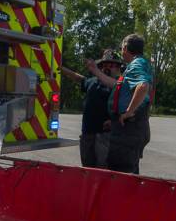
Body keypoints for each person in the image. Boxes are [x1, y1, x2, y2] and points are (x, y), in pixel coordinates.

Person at [86, 34, 152, 174]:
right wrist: (115, 121)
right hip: (128, 127)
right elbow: (122, 89)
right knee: (127, 169)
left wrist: (128, 112)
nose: (121, 51)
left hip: (129, 130)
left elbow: (142, 86)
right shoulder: (136, 65)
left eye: (122, 48)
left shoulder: (136, 64)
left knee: (121, 171)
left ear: (126, 48)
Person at [61, 50, 123, 168]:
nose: (107, 67)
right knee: (87, 169)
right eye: (104, 65)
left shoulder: (120, 85)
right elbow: (78, 78)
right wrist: (61, 68)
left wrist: (114, 121)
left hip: (105, 136)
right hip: (87, 135)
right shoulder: (93, 81)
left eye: (111, 65)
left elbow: (127, 108)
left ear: (118, 68)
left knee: (103, 170)